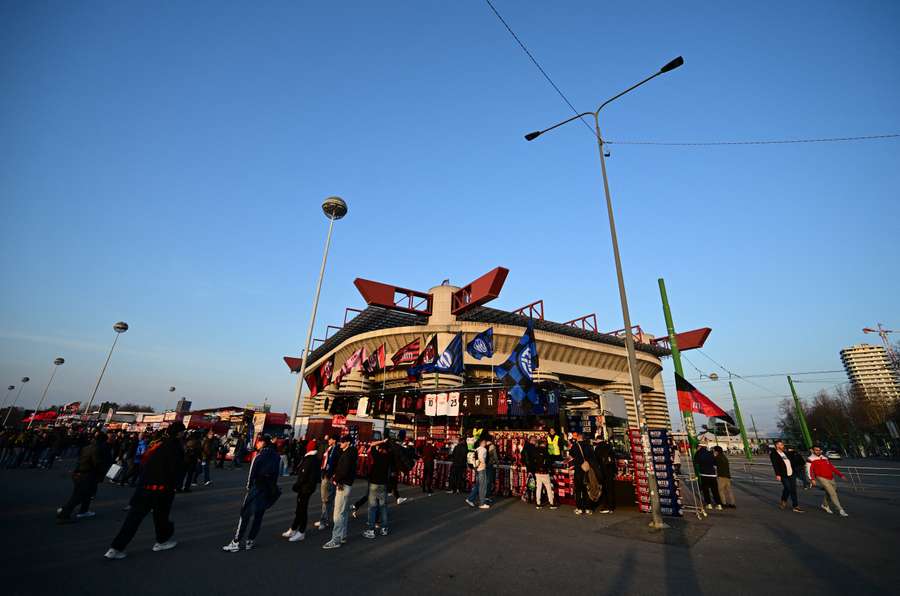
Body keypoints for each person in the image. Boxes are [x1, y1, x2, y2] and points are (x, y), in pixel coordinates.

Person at [104, 423, 186, 559]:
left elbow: (145, 463)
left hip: (145, 486)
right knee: (161, 517)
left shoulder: (157, 444)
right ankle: (162, 541)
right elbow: (175, 469)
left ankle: (115, 548)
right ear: (179, 433)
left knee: (133, 519)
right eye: (182, 432)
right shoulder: (175, 447)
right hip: (162, 489)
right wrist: (176, 485)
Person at [223, 434, 282, 552]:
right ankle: (250, 540)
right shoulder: (276, 456)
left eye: (258, 442)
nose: (257, 444)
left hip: (257, 487)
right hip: (268, 489)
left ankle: (236, 541)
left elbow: (252, 473)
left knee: (245, 514)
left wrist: (249, 487)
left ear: (262, 443)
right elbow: (276, 474)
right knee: (259, 516)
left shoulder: (259, 456)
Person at [57, 431, 112, 523]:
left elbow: (81, 459)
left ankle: (81, 510)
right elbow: (96, 463)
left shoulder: (87, 447)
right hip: (87, 474)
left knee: (82, 494)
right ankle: (64, 513)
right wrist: (102, 472)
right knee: (79, 496)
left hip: (79, 473)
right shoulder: (96, 449)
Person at [323, 434, 357, 549]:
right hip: (346, 483)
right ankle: (342, 535)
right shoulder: (351, 452)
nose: (340, 444)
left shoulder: (348, 454)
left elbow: (344, 469)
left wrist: (336, 479)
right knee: (344, 511)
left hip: (343, 484)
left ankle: (336, 539)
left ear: (347, 442)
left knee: (338, 513)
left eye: (342, 442)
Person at [283, 440, 320, 542]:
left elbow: (304, 475)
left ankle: (301, 531)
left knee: (302, 510)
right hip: (307, 488)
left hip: (305, 488)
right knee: (299, 509)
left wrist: (296, 486)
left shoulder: (309, 459)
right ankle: (294, 528)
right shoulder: (314, 459)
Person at [807, 445, 848, 517]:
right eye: (816, 450)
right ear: (813, 451)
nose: (818, 451)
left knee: (830, 492)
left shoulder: (825, 457)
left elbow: (831, 467)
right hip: (821, 478)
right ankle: (840, 509)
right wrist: (812, 479)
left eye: (819, 450)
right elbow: (809, 470)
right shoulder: (810, 459)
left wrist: (840, 475)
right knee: (833, 493)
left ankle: (825, 505)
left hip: (830, 478)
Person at [363, 439, 392, 538]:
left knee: (372, 507)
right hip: (383, 484)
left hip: (374, 483)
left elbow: (371, 444)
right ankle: (384, 528)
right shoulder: (389, 457)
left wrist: (382, 441)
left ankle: (371, 530)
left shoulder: (376, 455)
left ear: (380, 449)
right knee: (383, 507)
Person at [568, 431, 598, 515]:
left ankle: (579, 508)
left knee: (578, 490)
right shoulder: (589, 446)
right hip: (587, 470)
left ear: (578, 437)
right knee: (587, 489)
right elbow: (593, 457)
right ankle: (588, 508)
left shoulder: (575, 446)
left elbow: (570, 456)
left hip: (578, 470)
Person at [770, 440, 803, 512]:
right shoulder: (773, 454)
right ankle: (783, 500)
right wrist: (778, 474)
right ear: (777, 445)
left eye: (782, 444)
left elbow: (792, 460)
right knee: (788, 488)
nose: (783, 446)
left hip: (791, 473)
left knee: (793, 489)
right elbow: (775, 465)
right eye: (781, 445)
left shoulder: (785, 453)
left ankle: (795, 506)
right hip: (783, 474)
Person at [314, 435, 338, 531]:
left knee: (327, 499)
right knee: (325, 499)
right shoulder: (329, 448)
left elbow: (334, 463)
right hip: (325, 474)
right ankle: (324, 519)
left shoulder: (336, 450)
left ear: (334, 440)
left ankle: (324, 520)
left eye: (331, 439)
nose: (329, 440)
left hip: (330, 476)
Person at [694, 445, 722, 511]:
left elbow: (696, 461)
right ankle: (719, 504)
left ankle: (709, 504)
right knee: (715, 490)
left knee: (705, 490)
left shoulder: (698, 453)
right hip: (712, 475)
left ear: (699, 447)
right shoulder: (711, 453)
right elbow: (715, 463)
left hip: (704, 474)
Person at [593, 438, 617, 513]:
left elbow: (596, 461)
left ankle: (606, 506)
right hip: (610, 471)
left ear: (597, 440)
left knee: (604, 489)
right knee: (610, 489)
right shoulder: (609, 446)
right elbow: (614, 458)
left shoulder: (597, 448)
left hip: (603, 471)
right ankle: (611, 507)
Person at [465, 438, 490, 509]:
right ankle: (482, 503)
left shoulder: (477, 449)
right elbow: (481, 457)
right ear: (483, 442)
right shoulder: (483, 449)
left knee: (478, 485)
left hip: (476, 468)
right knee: (482, 486)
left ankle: (470, 499)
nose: (486, 443)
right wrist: (484, 464)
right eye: (485, 442)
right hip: (481, 468)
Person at [533, 439, 557, 510]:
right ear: (544, 444)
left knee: (539, 488)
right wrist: (552, 472)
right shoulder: (546, 452)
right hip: (545, 472)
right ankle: (551, 503)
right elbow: (549, 462)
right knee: (548, 488)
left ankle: (538, 503)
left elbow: (533, 461)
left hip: (537, 472)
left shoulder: (535, 451)